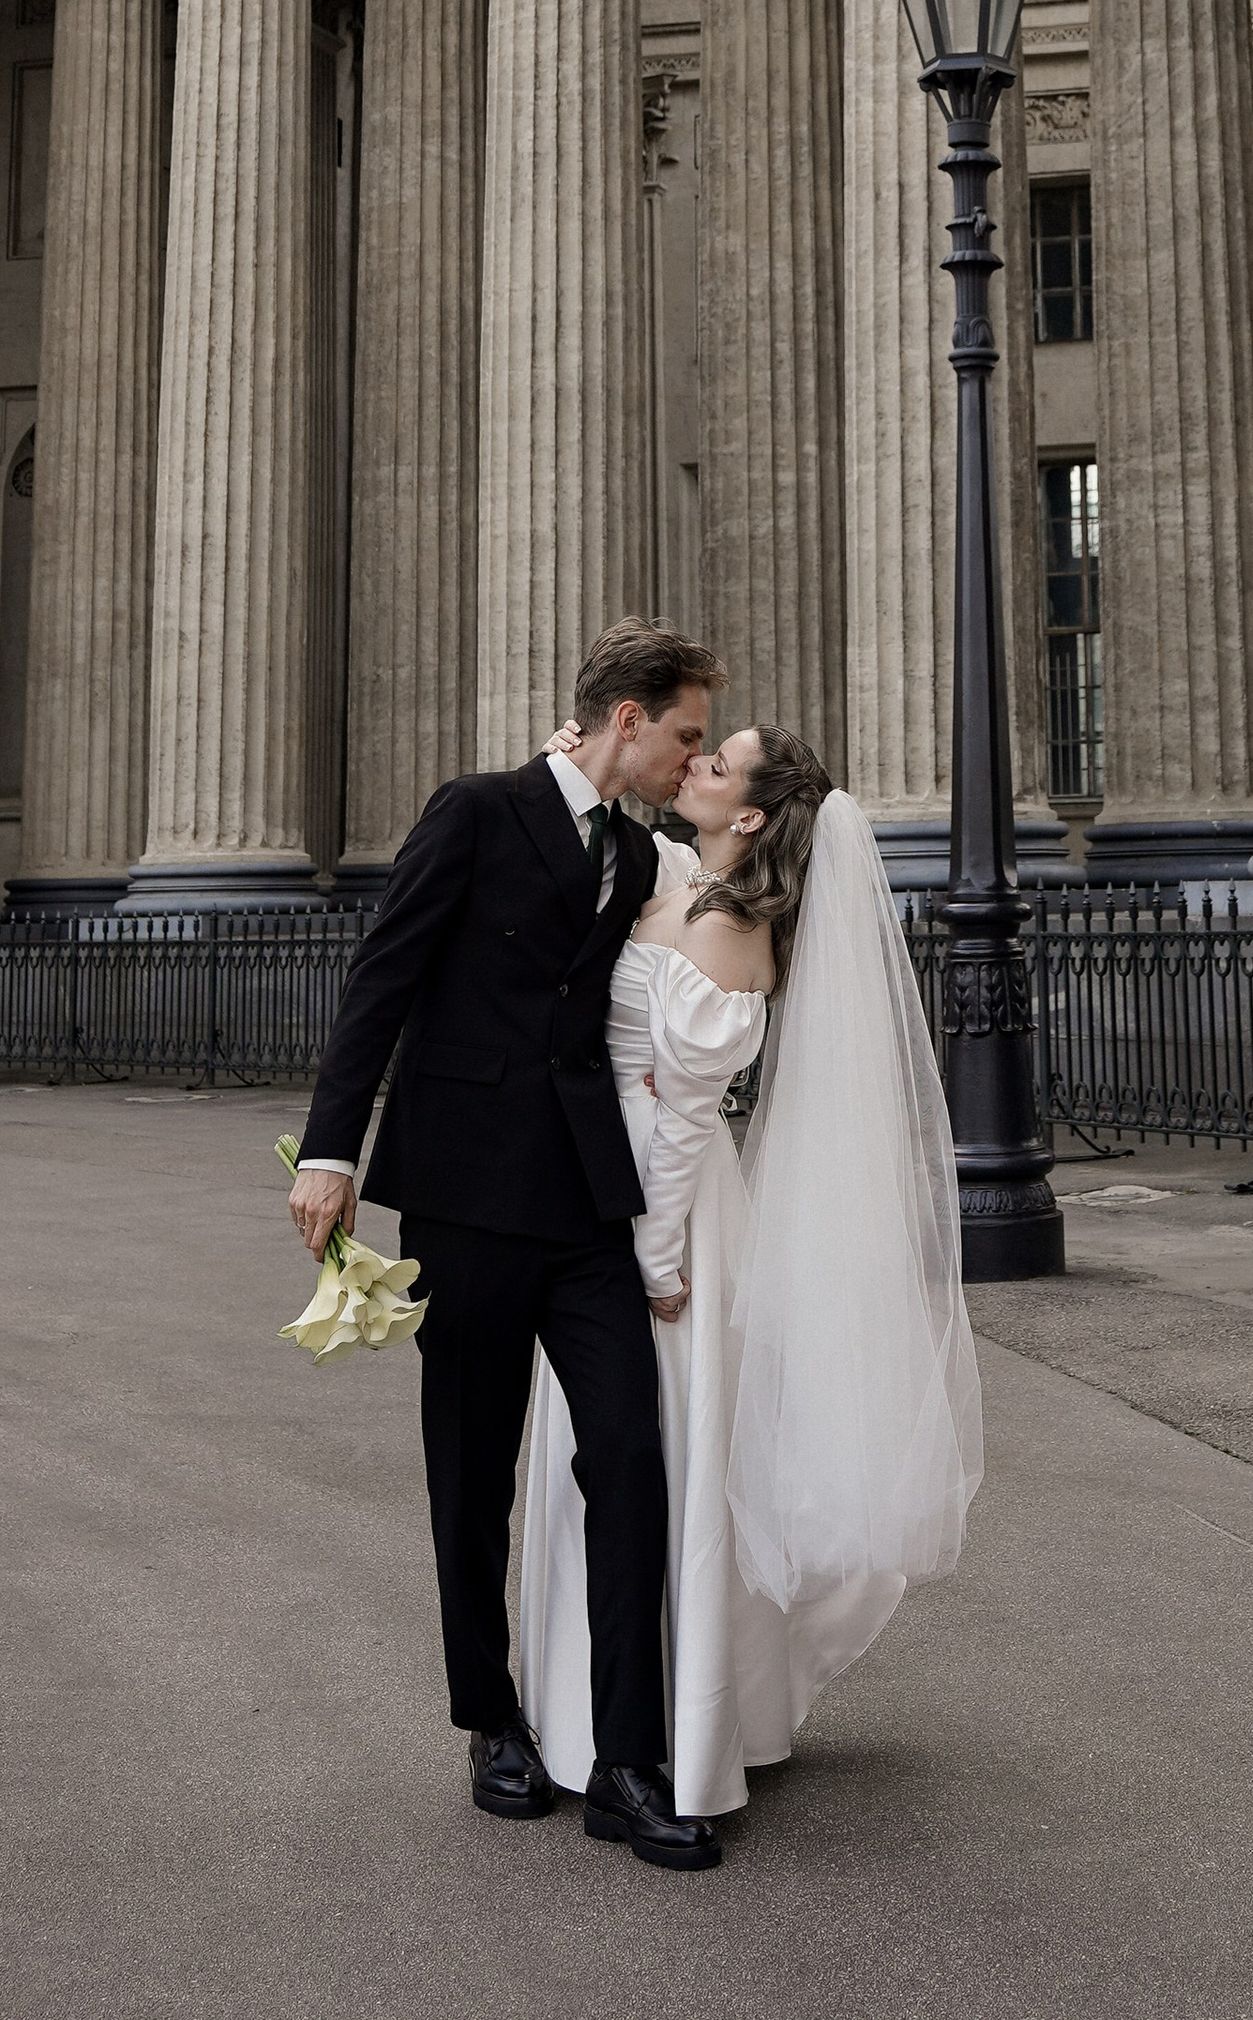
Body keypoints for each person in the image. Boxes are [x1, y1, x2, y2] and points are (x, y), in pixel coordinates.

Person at [287, 617, 727, 1871]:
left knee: (631, 1460)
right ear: (627, 719)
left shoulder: (643, 857)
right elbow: (383, 976)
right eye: (682, 733)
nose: (689, 759)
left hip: (591, 1200)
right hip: (469, 1196)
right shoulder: (475, 810)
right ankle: (492, 1721)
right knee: (475, 1474)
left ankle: (630, 1763)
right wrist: (331, 1152)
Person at [520, 725, 984, 1825]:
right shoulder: (679, 873)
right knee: (596, 1453)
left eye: (717, 766)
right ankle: (582, 1716)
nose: (695, 768)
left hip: (665, 1214)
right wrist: (564, 771)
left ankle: (677, 1726)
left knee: (670, 1455)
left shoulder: (737, 929)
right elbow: (603, 859)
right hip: (599, 1188)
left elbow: (682, 1121)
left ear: (752, 817)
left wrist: (656, 1251)